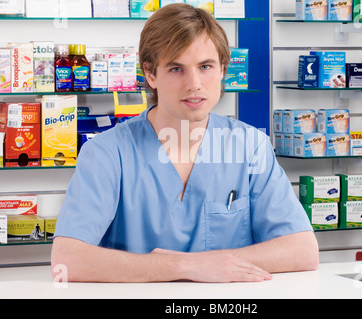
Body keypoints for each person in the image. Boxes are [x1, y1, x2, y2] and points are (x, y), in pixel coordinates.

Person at [51, 3, 319, 283]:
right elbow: (67, 260)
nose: (194, 83)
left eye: (205, 66)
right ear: (151, 74)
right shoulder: (107, 152)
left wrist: (206, 264)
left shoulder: (249, 146)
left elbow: (302, 250)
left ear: (223, 70)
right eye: (176, 69)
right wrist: (185, 268)